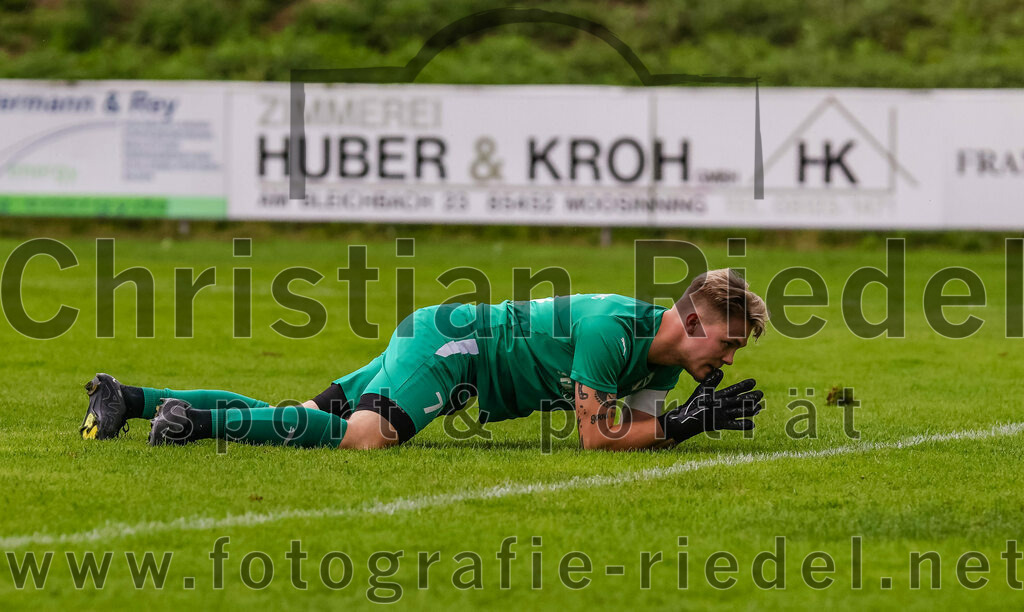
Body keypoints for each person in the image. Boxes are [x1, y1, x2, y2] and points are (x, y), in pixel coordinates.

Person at [79, 268, 768, 451]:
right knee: (364, 439)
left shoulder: (666, 366)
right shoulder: (610, 328)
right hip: (454, 345)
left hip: (447, 344)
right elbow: (597, 438)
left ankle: (129, 399)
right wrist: (681, 427)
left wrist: (682, 420)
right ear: (690, 319)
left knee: (308, 419)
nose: (731, 358)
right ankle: (195, 424)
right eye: (729, 341)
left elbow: (632, 438)